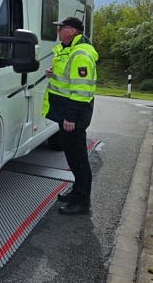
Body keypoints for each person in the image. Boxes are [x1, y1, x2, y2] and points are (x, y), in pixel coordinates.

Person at [42, 16, 98, 215]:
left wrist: (71, 117)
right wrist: (53, 72)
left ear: (72, 31)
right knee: (73, 158)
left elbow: (81, 90)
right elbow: (68, 78)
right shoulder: (69, 49)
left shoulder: (80, 53)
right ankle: (77, 192)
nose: (58, 31)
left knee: (79, 158)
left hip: (73, 115)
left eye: (61, 28)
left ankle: (82, 202)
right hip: (66, 112)